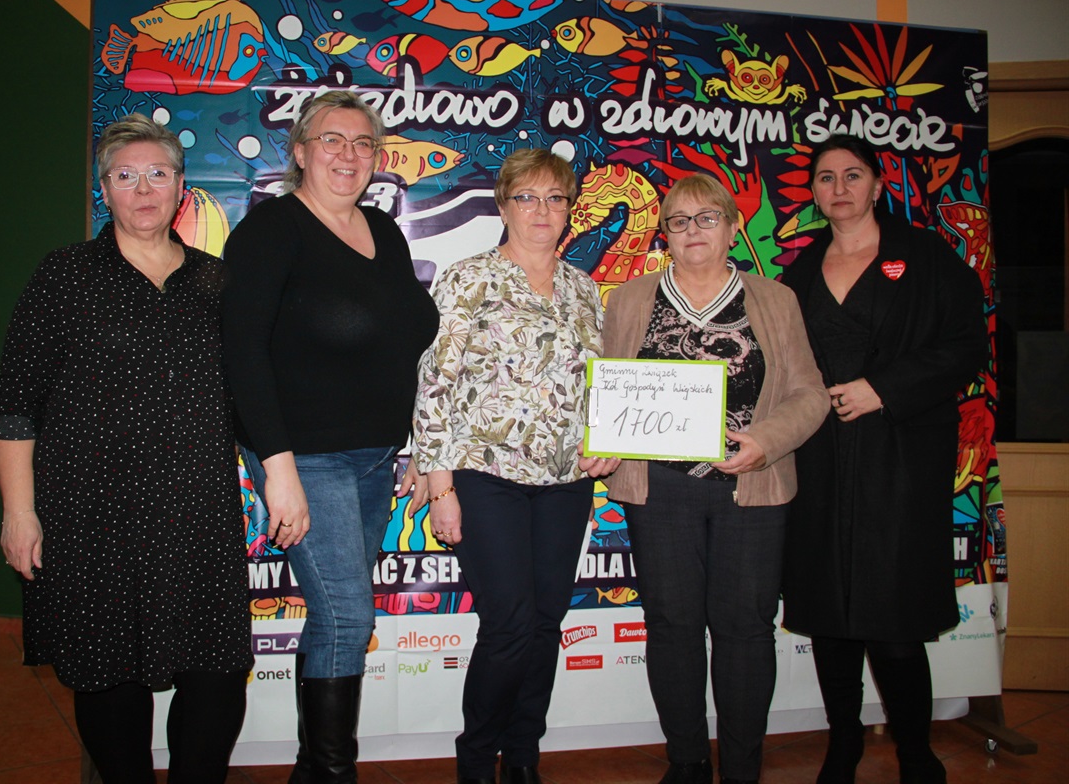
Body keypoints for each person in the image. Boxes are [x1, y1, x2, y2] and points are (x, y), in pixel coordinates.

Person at [0, 112, 251, 783]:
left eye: (158, 174)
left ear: (181, 187)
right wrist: (19, 513)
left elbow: (255, 395)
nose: (143, 189)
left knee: (217, 674)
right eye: (126, 176)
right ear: (104, 190)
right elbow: (13, 404)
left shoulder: (217, 284)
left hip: (198, 518)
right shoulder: (64, 276)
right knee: (108, 677)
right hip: (91, 518)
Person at [220, 90, 439, 783]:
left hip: (375, 456)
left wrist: (416, 444)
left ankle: (311, 768)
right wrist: (277, 468)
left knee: (332, 619)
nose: (349, 154)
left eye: (363, 143)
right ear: (300, 151)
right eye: (332, 140)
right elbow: (242, 354)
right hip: (304, 454)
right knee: (348, 614)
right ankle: (335, 774)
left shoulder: (384, 230)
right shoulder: (270, 230)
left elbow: (405, 341)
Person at [602, 173, 829, 784]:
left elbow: (811, 394)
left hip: (751, 488)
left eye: (707, 218)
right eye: (679, 221)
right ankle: (687, 761)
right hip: (660, 491)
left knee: (745, 630)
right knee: (671, 627)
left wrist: (766, 442)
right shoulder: (629, 300)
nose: (693, 230)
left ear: (732, 227)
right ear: (664, 236)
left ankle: (743, 769)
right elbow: (606, 387)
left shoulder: (774, 299)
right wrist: (602, 439)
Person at [780, 134, 987, 784]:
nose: (838, 187)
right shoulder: (797, 274)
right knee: (829, 617)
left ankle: (915, 752)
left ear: (876, 184)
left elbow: (967, 346)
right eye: (825, 178)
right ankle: (843, 744)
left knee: (894, 620)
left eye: (852, 175)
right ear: (814, 193)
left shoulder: (926, 257)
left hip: (900, 458)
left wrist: (884, 389)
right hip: (819, 462)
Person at [410, 148, 621, 784]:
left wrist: (608, 438)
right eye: (527, 197)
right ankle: (477, 760)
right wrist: (440, 484)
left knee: (546, 623)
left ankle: (523, 755)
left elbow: (601, 381)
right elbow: (435, 381)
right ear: (503, 206)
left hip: (566, 481)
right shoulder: (468, 278)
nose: (541, 210)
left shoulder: (584, 289)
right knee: (508, 625)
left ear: (570, 210)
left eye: (555, 198)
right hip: (484, 474)